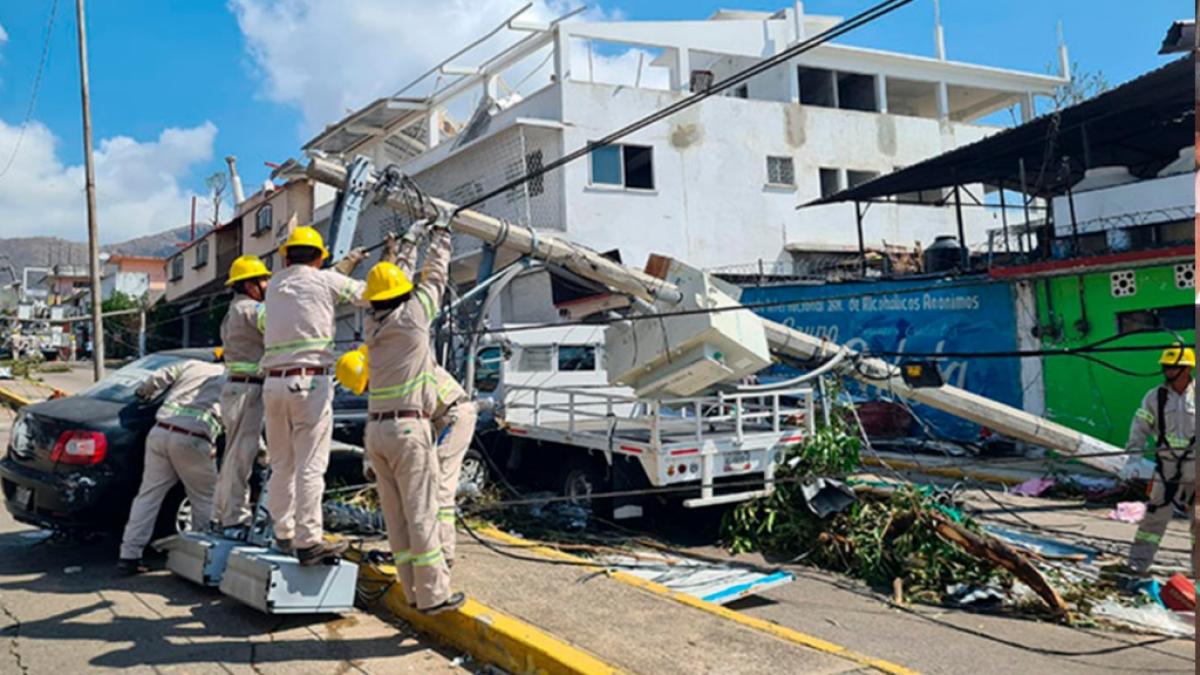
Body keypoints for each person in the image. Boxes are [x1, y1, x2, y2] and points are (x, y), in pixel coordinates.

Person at [360, 212, 464, 614]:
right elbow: (434, 278)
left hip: (377, 433)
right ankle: (434, 595)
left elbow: (398, 282)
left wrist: (408, 243)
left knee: (397, 518)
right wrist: (442, 235)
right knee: (422, 514)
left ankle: (413, 593)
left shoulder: (373, 324)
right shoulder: (414, 319)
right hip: (408, 430)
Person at [261, 225, 368, 565]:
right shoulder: (324, 281)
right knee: (311, 465)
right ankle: (308, 542)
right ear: (320, 257)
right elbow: (366, 295)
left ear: (286, 256)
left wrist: (344, 264)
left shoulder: (276, 285)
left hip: (273, 384)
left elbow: (315, 285)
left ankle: (284, 533)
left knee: (282, 464)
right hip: (308, 384)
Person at [390, 224, 477, 566]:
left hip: (455, 414)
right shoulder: (394, 336)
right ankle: (425, 547)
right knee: (424, 483)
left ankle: (443, 554)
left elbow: (425, 281)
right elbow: (402, 282)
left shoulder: (401, 332)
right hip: (441, 415)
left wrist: (426, 241)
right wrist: (416, 241)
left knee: (439, 485)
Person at [117, 355, 225, 574]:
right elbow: (239, 421)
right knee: (206, 498)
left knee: (148, 496)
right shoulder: (230, 379)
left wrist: (143, 393)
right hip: (192, 438)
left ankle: (129, 555)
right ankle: (201, 560)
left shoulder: (193, 365)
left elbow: (159, 377)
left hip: (160, 431)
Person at [1120, 344, 1195, 578]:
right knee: (1152, 522)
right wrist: (1133, 458)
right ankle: (1137, 566)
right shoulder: (1155, 397)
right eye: (1166, 366)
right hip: (1167, 469)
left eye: (1173, 367)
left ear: (1186, 369)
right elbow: (1140, 428)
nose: (1168, 371)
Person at [212, 255, 271, 538]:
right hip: (248, 391)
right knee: (240, 458)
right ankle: (233, 519)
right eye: (263, 280)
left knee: (239, 455)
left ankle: (222, 515)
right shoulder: (251, 310)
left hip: (238, 389)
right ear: (250, 285)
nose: (268, 284)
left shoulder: (233, 311)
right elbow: (284, 323)